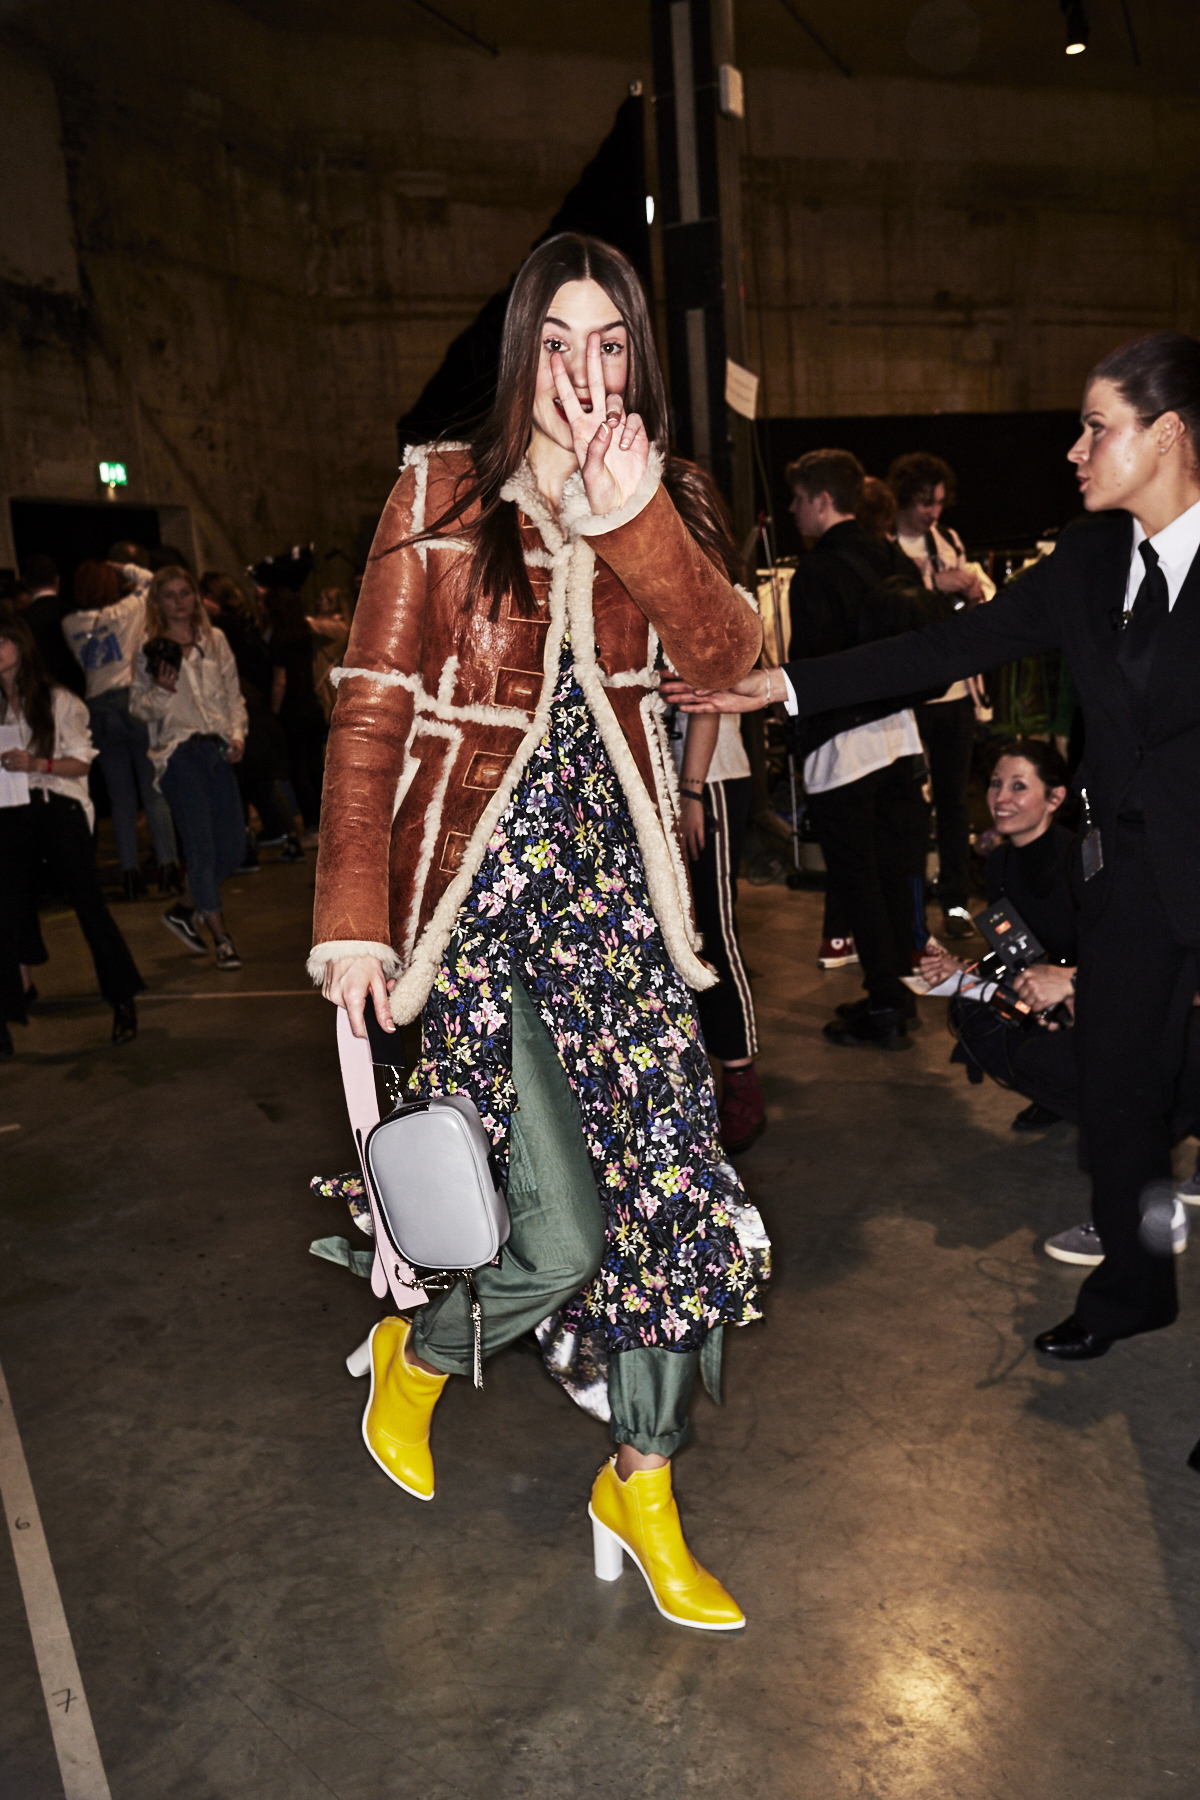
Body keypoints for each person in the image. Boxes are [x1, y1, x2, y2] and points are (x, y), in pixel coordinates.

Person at [309, 232, 767, 1630]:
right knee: (560, 1238)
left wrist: (642, 526)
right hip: (489, 917)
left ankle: (642, 1487)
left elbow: (729, 670)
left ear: (638, 358)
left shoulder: (665, 494)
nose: (586, 371)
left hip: (623, 920)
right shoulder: (442, 496)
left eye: (611, 342)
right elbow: (373, 712)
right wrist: (356, 924)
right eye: (559, 341)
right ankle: (423, 1354)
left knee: (677, 1228)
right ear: (523, 354)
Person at [667, 329, 1200, 1368]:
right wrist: (782, 687)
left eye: (1098, 428)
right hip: (1127, 884)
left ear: (1170, 433)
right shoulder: (1090, 557)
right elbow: (948, 645)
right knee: (1121, 1099)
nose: (1075, 451)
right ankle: (1135, 1290)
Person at [781, 449, 929, 1050]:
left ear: (822, 501)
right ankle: (898, 994)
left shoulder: (816, 572)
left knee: (857, 880)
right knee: (894, 872)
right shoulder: (890, 553)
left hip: (844, 748)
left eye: (797, 499)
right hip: (902, 735)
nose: (792, 511)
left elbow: (812, 670)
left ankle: (887, 1004)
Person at [0, 615, 143, 1048]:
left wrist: (36, 764)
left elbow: (82, 763)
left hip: (56, 807)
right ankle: (5, 1013)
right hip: (9, 813)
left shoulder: (58, 700)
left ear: (19, 647)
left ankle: (122, 998)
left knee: (89, 905)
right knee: (3, 908)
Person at [889, 453, 995, 941]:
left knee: (954, 801)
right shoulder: (885, 544)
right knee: (911, 803)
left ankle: (955, 902)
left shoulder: (948, 541)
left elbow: (982, 600)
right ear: (904, 499)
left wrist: (972, 591)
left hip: (954, 692)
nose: (933, 512)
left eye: (938, 503)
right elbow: (888, 608)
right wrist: (934, 583)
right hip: (907, 696)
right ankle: (906, 911)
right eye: (924, 503)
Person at [130, 566, 249, 971]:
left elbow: (234, 696)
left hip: (217, 750)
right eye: (170, 595)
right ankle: (222, 938)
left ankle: (185, 908)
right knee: (200, 849)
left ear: (196, 598)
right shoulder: (149, 648)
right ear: (158, 602)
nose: (180, 602)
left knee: (232, 849)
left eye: (186, 593)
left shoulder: (214, 641)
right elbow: (138, 708)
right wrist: (162, 691)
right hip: (178, 754)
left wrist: (237, 737)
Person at [61, 558, 181, 899]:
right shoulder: (127, 611)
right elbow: (155, 579)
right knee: (153, 791)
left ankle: (129, 875)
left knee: (120, 799)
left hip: (97, 710)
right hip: (133, 703)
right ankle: (168, 868)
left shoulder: (69, 622)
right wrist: (122, 566)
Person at [673, 702, 764, 1153]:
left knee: (714, 931)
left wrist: (691, 793)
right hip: (656, 780)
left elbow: (703, 694)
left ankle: (741, 1077)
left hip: (710, 780)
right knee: (674, 938)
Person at [200, 574, 301, 862]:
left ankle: (246, 850)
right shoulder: (249, 626)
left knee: (243, 783)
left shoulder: (218, 632)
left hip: (243, 712)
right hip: (257, 710)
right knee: (262, 782)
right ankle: (287, 839)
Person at [262, 586, 324, 837]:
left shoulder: (279, 638)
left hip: (292, 712)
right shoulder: (304, 634)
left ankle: (312, 823)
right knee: (316, 767)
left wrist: (273, 713)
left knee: (299, 771)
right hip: (310, 705)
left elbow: (280, 681)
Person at [17, 555, 85, 697]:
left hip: (38, 696)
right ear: (57, 580)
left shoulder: (19, 621)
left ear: (25, 582)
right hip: (75, 692)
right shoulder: (75, 614)